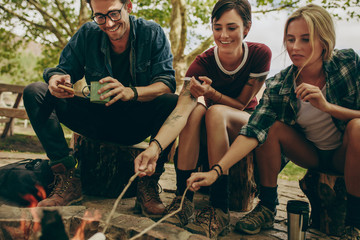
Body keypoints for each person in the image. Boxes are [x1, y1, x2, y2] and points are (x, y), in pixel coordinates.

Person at [186, 4, 360, 239]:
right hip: (310, 155)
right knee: (271, 127)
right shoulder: (280, 84)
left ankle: (354, 225)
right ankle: (267, 206)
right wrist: (216, 171)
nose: (295, 47)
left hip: (345, 152)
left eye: (305, 39)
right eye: (290, 39)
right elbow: (254, 129)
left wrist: (327, 107)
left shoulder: (347, 63)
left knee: (357, 127)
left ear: (324, 41)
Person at [23, 0, 178, 218]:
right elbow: (62, 69)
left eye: (114, 13)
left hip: (136, 122)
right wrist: (57, 80)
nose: (109, 23)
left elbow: (166, 83)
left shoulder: (151, 32)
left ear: (129, 7)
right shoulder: (88, 33)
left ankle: (148, 183)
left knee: (172, 102)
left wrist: (130, 92)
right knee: (35, 91)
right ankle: (67, 176)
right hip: (95, 118)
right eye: (100, 17)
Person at [134, 0, 271, 237]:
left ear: (246, 28)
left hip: (245, 121)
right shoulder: (202, 63)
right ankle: (182, 198)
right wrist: (155, 147)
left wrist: (213, 94)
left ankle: (220, 209)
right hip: (211, 126)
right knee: (196, 110)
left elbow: (241, 103)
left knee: (214, 110)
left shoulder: (259, 54)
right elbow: (180, 112)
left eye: (232, 28)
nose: (223, 35)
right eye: (217, 27)